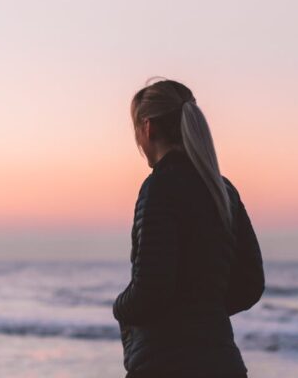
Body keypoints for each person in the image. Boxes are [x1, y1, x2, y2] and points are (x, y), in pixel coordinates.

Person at [112, 77, 265, 378]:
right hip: (223, 363)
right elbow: (251, 284)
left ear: (148, 128)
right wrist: (204, 314)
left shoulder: (160, 187)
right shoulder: (223, 190)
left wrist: (121, 308)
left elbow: (151, 288)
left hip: (164, 365)